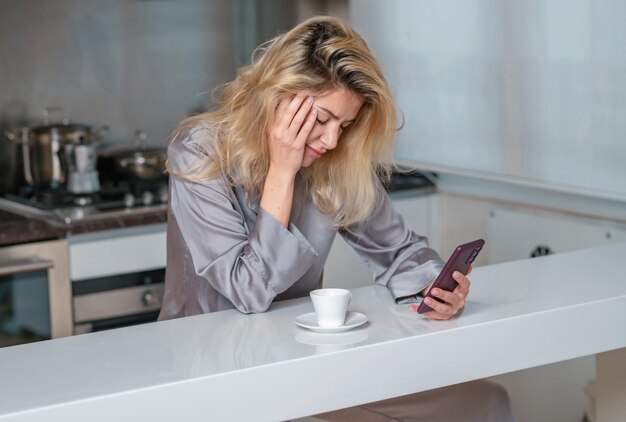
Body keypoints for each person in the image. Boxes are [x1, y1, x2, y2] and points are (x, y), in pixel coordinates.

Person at [158, 15, 514, 422]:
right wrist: (282, 170)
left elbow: (401, 253)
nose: (331, 141)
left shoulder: (332, 160)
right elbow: (249, 292)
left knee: (485, 402)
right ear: (280, 96)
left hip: (305, 360)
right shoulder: (199, 151)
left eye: (343, 126)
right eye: (322, 119)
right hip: (214, 372)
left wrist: (438, 289)